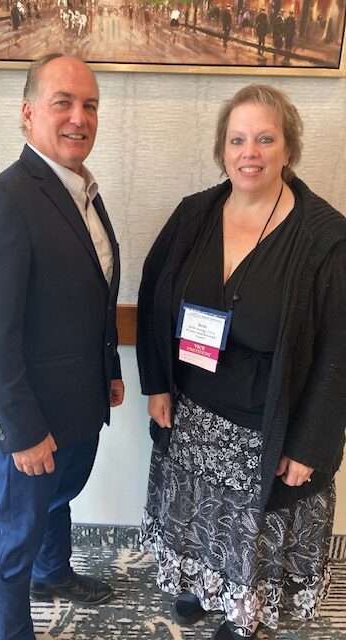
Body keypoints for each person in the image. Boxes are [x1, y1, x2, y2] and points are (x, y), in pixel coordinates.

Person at [137, 84, 346, 639]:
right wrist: (156, 384)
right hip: (192, 412)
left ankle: (244, 610)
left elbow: (339, 350)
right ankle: (200, 582)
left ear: (288, 148)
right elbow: (154, 297)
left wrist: (311, 444)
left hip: (266, 423)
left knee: (251, 527)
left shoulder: (324, 239)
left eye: (265, 139)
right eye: (237, 140)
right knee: (197, 511)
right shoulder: (194, 215)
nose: (249, 152)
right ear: (222, 149)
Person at [0, 53, 124, 640]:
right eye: (63, 103)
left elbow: (93, 294)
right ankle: (10, 629)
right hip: (30, 414)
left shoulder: (84, 191)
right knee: (17, 527)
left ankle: (52, 573)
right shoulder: (2, 201)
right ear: (28, 113)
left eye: (90, 105)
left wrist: (109, 368)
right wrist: (23, 430)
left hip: (81, 401)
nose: (80, 117)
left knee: (59, 499)